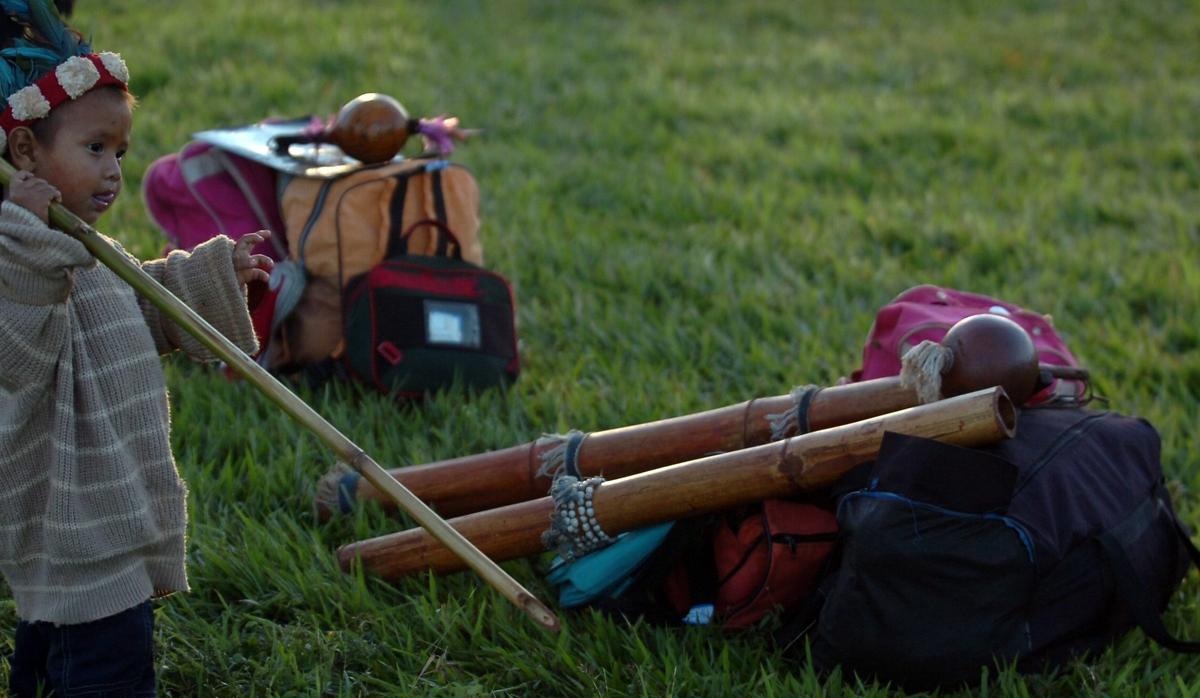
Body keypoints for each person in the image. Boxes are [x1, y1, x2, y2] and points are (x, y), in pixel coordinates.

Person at [0, 2, 273, 695]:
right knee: (102, 670)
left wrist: (212, 277)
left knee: (54, 659)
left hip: (108, 517)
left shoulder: (83, 246)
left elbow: (130, 309)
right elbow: (16, 354)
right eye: (94, 148)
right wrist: (25, 245)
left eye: (119, 152)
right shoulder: (18, 258)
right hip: (72, 526)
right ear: (26, 152)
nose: (114, 171)